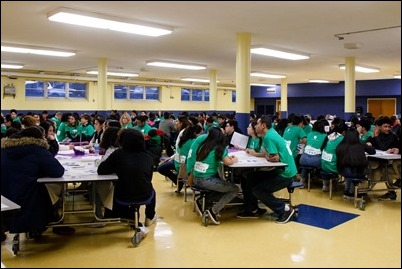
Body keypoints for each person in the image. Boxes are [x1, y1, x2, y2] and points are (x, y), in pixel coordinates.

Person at [1, 126, 68, 237]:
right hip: (28, 199)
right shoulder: (36, 149)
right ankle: (53, 222)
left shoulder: (4, 149)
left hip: (5, 197)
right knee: (54, 189)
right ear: (39, 139)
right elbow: (57, 171)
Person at [237, 116, 298, 224]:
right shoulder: (270, 134)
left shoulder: (269, 137)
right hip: (282, 170)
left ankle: (286, 210)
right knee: (249, 176)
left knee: (258, 190)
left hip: (285, 174)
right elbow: (269, 155)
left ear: (263, 125)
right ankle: (253, 209)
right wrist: (266, 156)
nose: (255, 126)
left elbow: (273, 158)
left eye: (257, 124)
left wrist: (268, 157)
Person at [97, 129, 157, 227]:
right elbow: (148, 178)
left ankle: (125, 215)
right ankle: (150, 216)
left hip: (122, 195)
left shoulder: (118, 154)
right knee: (150, 189)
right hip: (144, 194)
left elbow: (101, 170)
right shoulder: (148, 157)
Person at [186, 127, 240, 225]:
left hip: (196, 177)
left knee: (223, 186)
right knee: (235, 189)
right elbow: (227, 162)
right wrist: (234, 159)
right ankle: (213, 210)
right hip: (206, 180)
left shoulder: (203, 146)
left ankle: (202, 201)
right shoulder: (220, 148)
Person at [366, 116, 400, 199]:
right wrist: (368, 142)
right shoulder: (378, 135)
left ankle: (390, 191)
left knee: (381, 172)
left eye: (389, 127)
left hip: (391, 162)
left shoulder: (393, 136)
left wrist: (376, 136)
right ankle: (366, 189)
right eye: (385, 126)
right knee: (373, 170)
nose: (388, 129)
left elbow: (383, 147)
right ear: (379, 127)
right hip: (380, 160)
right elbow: (367, 143)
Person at [336, 129, 376, 199]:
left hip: (342, 171)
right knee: (357, 169)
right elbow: (372, 151)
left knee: (349, 170)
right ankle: (351, 192)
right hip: (357, 172)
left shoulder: (340, 145)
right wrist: (369, 145)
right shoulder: (360, 144)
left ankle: (346, 191)